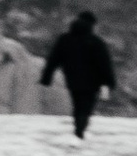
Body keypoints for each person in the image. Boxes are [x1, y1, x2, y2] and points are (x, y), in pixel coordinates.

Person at [41, 9, 117, 141]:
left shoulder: (64, 39)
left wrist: (46, 77)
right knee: (86, 107)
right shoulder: (96, 42)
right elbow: (104, 64)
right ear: (92, 25)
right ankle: (79, 131)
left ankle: (78, 130)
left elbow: (53, 59)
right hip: (92, 82)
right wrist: (109, 82)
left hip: (72, 79)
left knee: (77, 104)